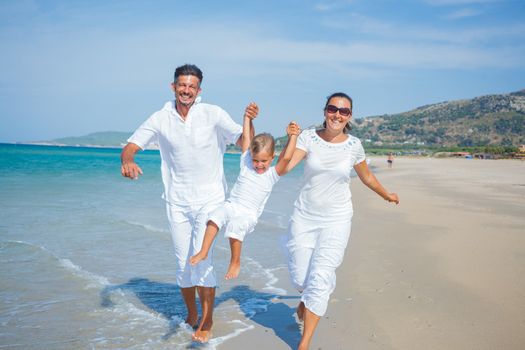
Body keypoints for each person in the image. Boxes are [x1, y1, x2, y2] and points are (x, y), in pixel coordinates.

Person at [120, 64, 255, 343]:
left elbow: (244, 143)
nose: (186, 90)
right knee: (183, 264)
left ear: (199, 90)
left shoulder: (213, 113)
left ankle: (207, 320)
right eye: (182, 85)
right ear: (173, 87)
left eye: (192, 86)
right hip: (176, 201)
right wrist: (128, 160)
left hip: (211, 199)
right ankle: (192, 314)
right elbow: (132, 145)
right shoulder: (160, 118)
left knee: (201, 258)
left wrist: (248, 120)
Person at [280, 92, 399, 350]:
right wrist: (291, 138)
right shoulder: (308, 138)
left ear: (349, 117)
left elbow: (366, 177)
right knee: (301, 278)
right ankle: (305, 299)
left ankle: (304, 343)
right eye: (333, 109)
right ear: (325, 111)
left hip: (337, 219)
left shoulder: (354, 145)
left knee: (321, 277)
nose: (337, 114)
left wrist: (386, 194)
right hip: (304, 216)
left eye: (343, 111)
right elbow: (285, 167)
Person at [190, 108, 301, 283]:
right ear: (250, 155)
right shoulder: (246, 163)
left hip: (248, 214)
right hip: (232, 205)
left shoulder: (272, 174)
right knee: (214, 216)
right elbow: (247, 138)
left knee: (235, 226)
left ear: (272, 158)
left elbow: (286, 158)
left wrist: (293, 136)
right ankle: (204, 251)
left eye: (263, 161)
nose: (258, 164)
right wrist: (247, 118)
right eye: (255, 160)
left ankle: (235, 261)